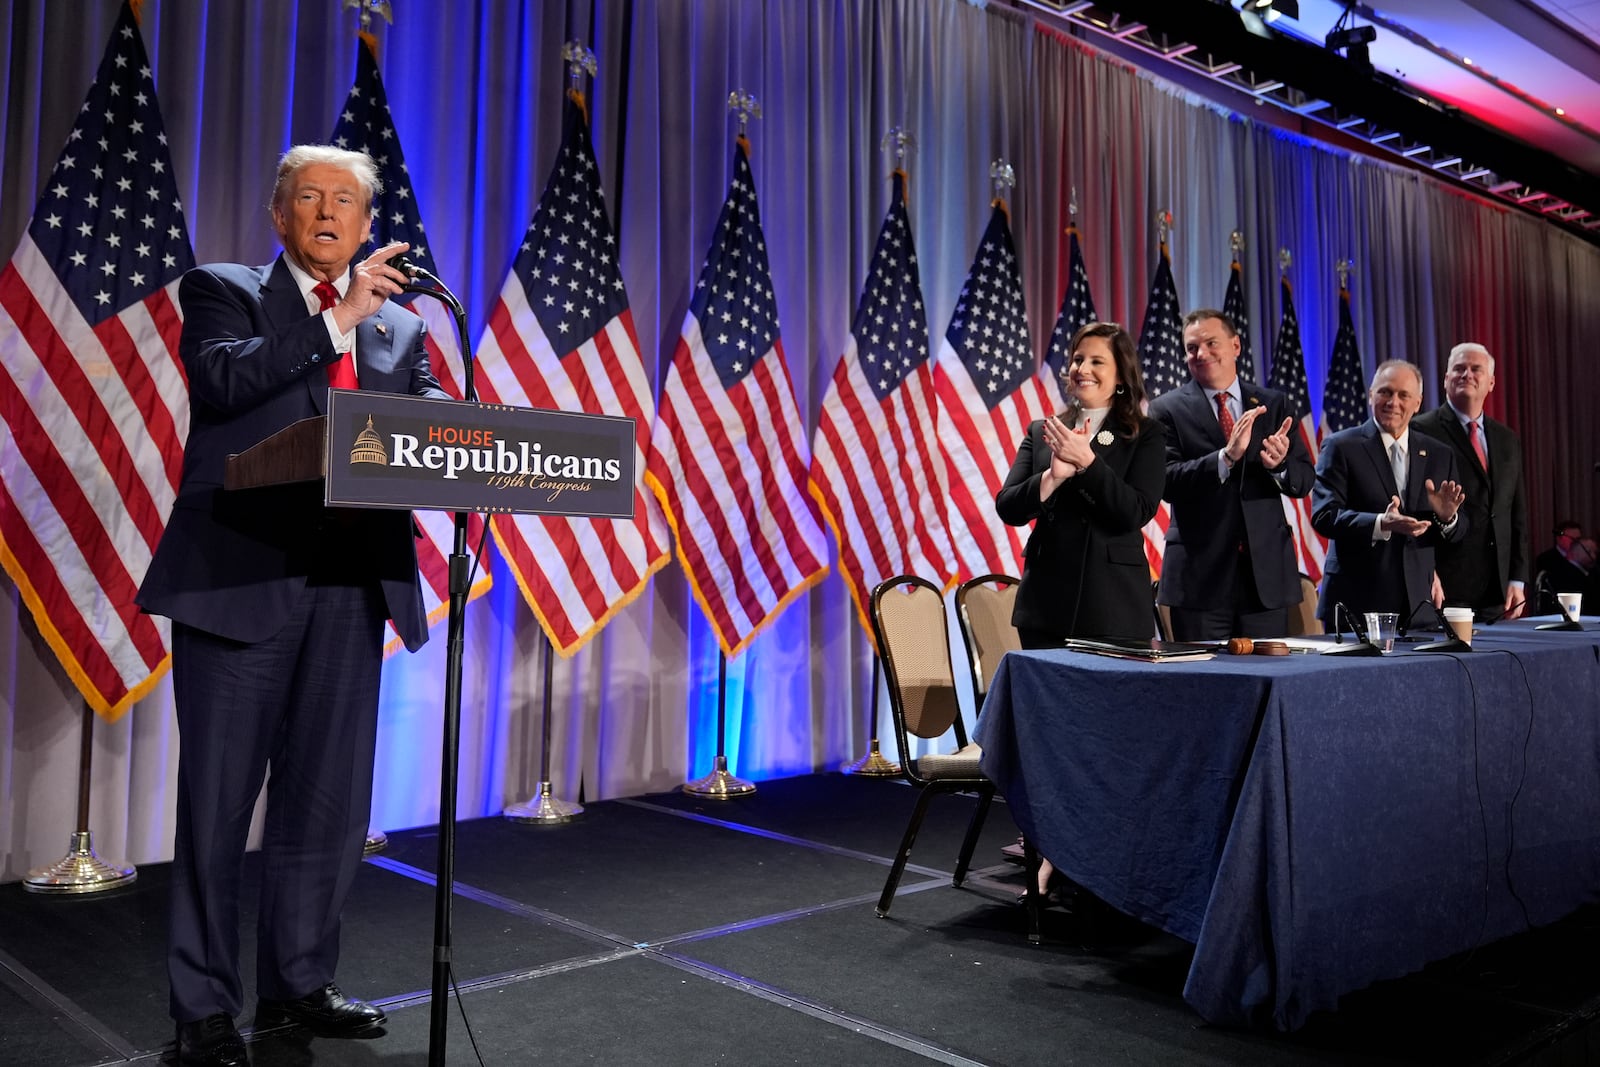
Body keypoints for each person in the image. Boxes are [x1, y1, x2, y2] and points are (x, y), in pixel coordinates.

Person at [137, 146, 448, 1067]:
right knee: (216, 809)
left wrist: (474, 432)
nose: (325, 212)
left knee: (327, 806)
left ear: (362, 225)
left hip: (351, 590)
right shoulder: (222, 290)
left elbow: (433, 429)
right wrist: (335, 319)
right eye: (307, 198)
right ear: (279, 217)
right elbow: (227, 383)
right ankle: (201, 1011)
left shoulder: (401, 330)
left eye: (343, 201)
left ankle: (297, 983)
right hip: (241, 585)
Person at [996, 320, 1165, 645]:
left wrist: (1088, 463)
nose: (1082, 368)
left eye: (1097, 361)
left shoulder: (1146, 435)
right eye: (1077, 359)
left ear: (1120, 376)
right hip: (1045, 606)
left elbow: (1135, 511)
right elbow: (1008, 506)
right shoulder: (1042, 431)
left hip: (1112, 606)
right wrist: (1052, 477)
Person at [1150, 309, 1315, 639]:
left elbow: (1304, 479)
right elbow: (1166, 482)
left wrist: (1279, 466)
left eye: (1212, 343)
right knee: (1202, 684)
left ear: (1236, 346)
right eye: (1192, 348)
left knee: (1266, 680)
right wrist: (1224, 458)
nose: (1201, 353)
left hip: (1264, 581)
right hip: (1199, 580)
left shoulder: (1273, 404)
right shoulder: (1166, 409)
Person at [1312, 360, 1467, 627]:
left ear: (1417, 403)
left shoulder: (1439, 453)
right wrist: (1379, 523)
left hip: (1419, 602)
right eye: (1385, 392)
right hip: (1357, 602)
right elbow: (1324, 515)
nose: (1393, 402)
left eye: (1403, 395)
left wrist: (1448, 518)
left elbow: (1461, 527)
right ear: (1371, 395)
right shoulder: (1341, 446)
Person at [1411, 343, 1528, 621]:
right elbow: (1413, 505)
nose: (1467, 374)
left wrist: (1518, 579)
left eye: (1476, 369)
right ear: (1445, 379)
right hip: (1444, 585)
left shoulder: (1506, 438)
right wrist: (1425, 570)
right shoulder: (1420, 429)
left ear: (1491, 382)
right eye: (1459, 369)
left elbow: (1516, 513)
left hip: (1497, 589)